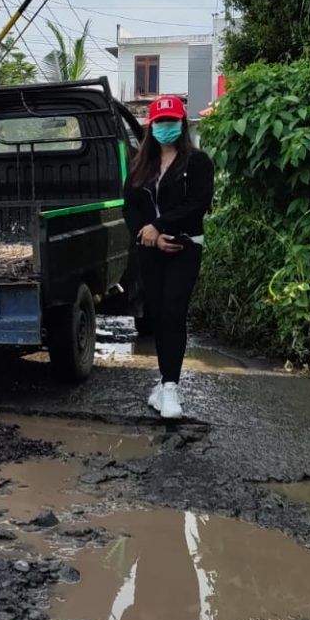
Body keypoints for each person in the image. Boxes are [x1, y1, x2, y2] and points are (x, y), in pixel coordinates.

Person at [122, 95, 214, 419]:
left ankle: (172, 387)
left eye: (171, 121)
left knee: (175, 312)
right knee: (158, 314)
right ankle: (162, 383)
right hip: (150, 248)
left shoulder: (197, 162)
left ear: (182, 123)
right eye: (160, 122)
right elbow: (129, 206)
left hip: (185, 246)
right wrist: (150, 235)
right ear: (151, 126)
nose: (166, 127)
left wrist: (159, 226)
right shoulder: (139, 165)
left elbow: (199, 203)